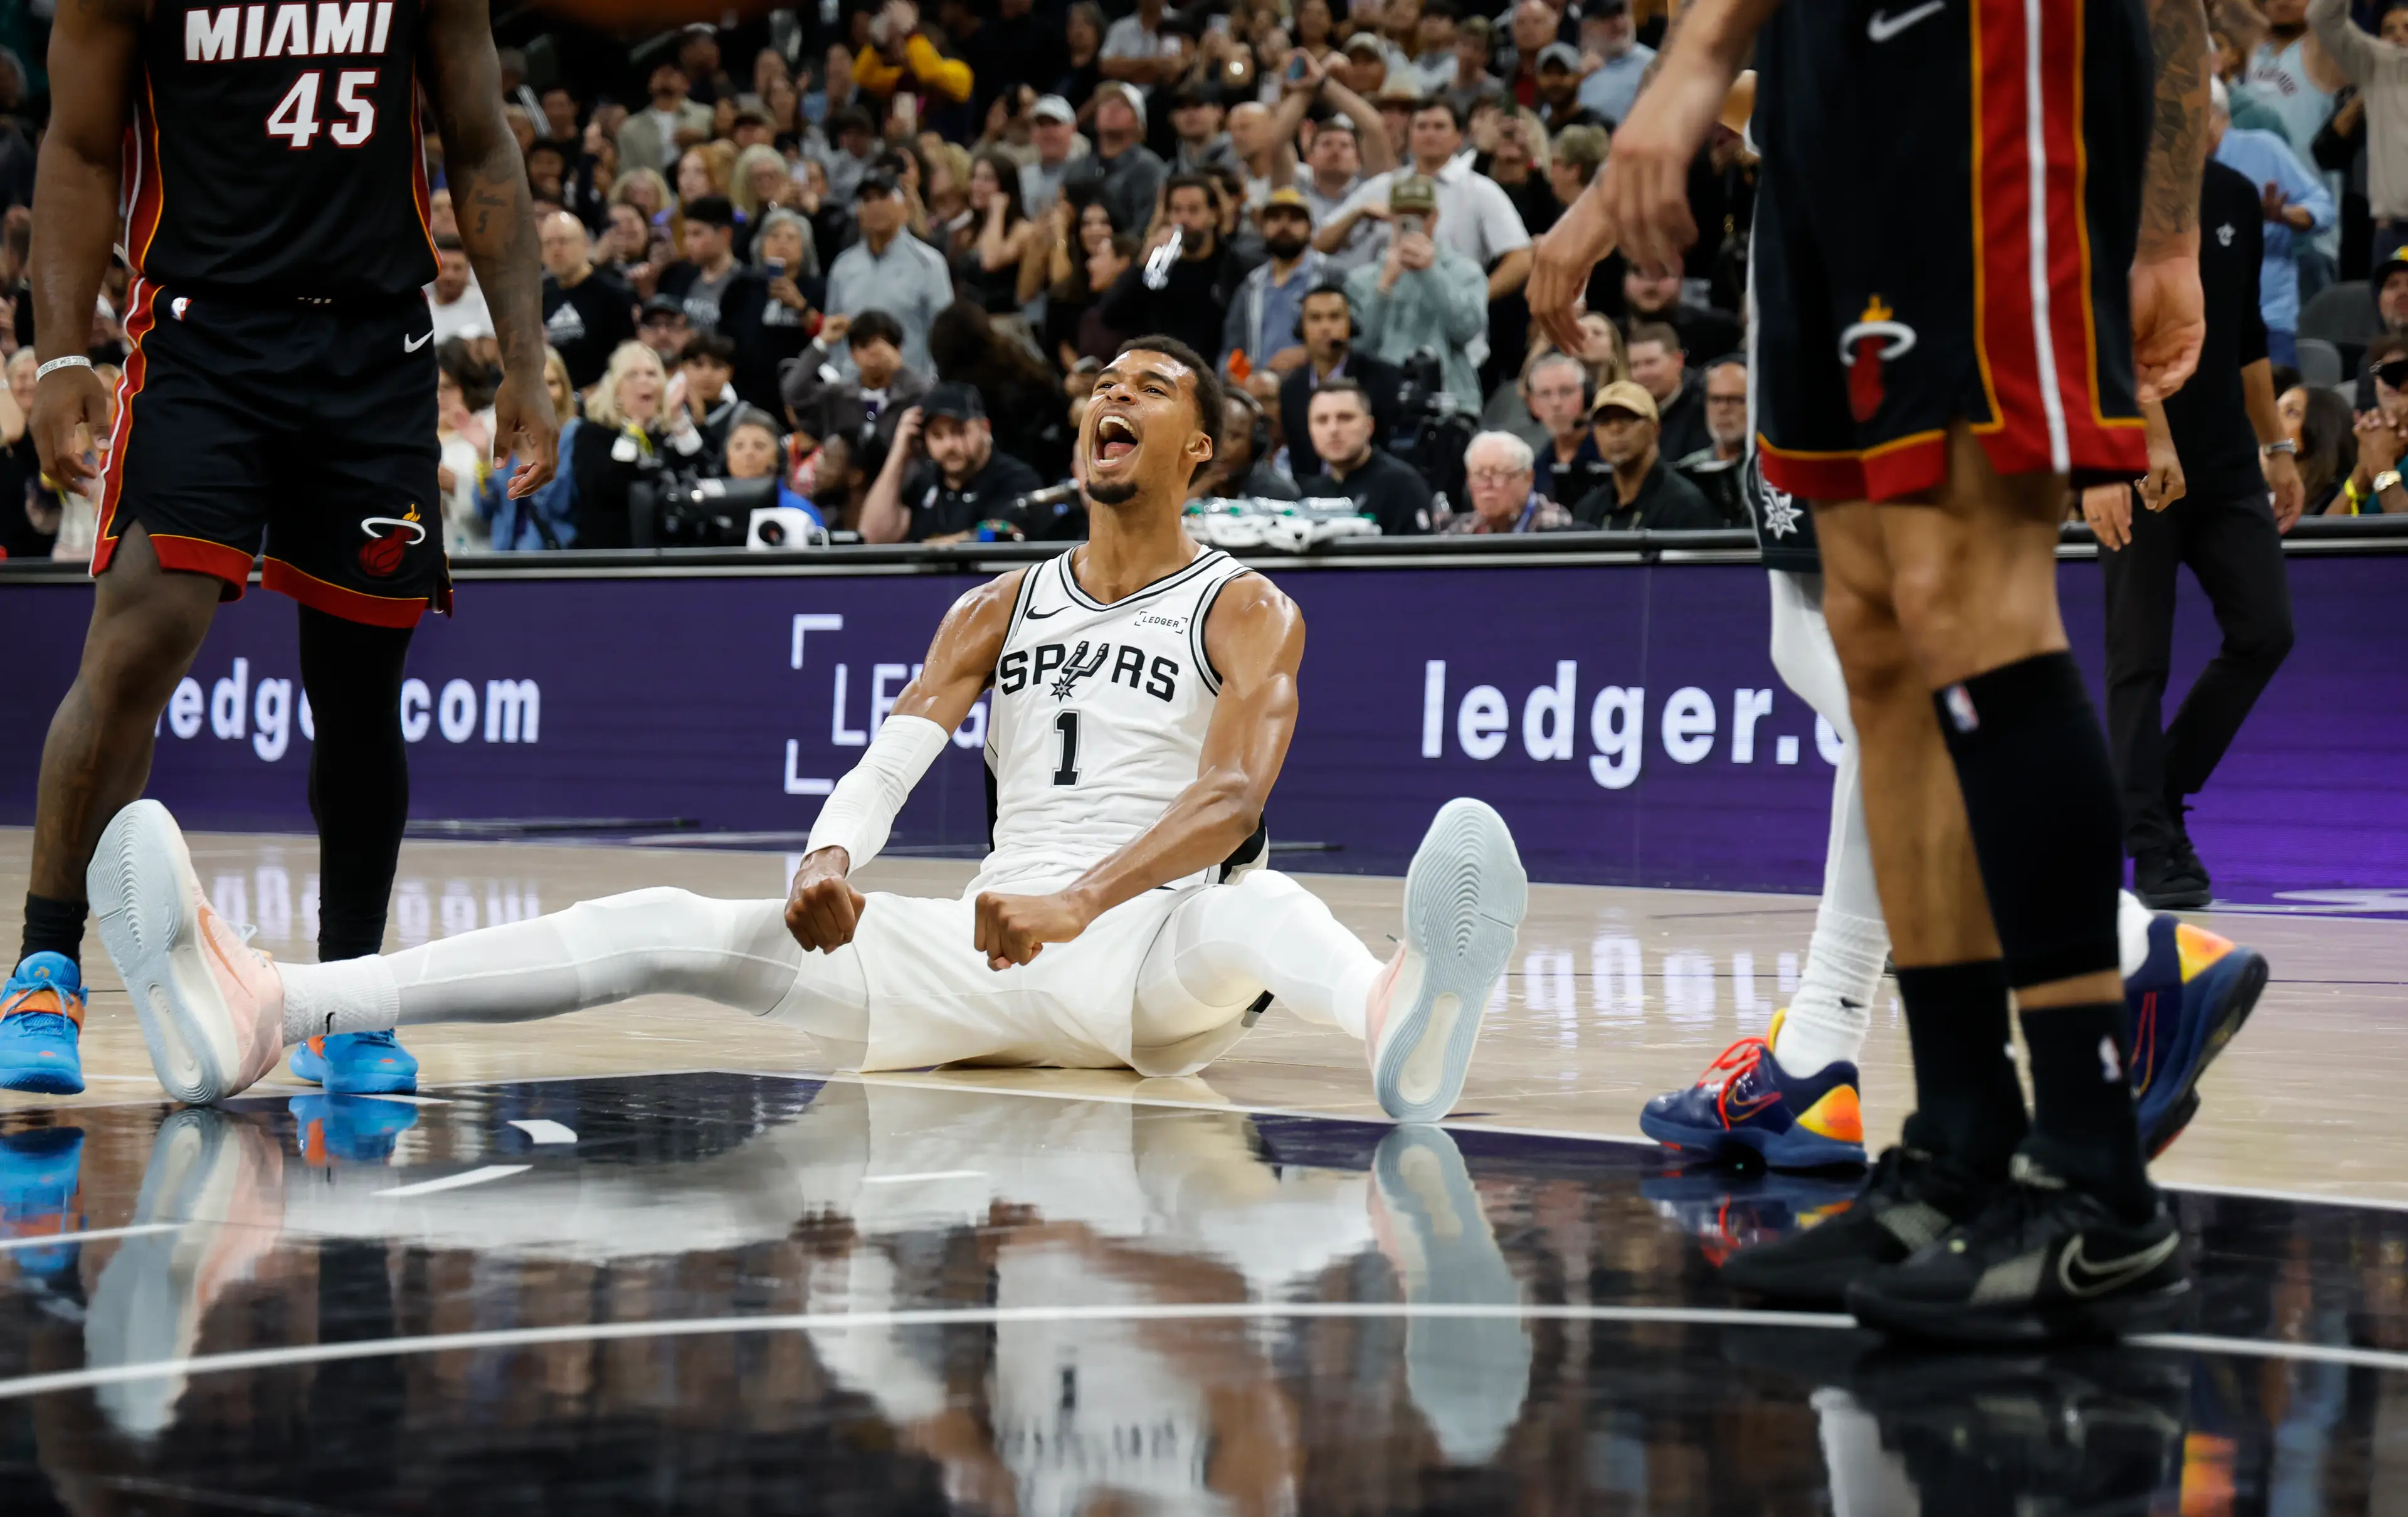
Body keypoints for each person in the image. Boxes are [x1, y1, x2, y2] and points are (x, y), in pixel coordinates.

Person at [81, 338, 1531, 1138]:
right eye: (1098, 384)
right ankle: (274, 1005)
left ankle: (1393, 1021)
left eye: (1146, 389)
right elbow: (894, 755)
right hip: (978, 953)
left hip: (1150, 959)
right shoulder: (997, 601)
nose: (1108, 399)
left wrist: (1082, 896)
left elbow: (1230, 796)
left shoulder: (1247, 604)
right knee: (665, 916)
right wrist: (830, 855)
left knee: (1259, 901)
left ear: (1200, 452)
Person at [1538, 0, 2226, 1343]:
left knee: (1965, 591)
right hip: (1821, 73)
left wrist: (2165, 224)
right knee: (1873, 632)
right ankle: (1958, 1139)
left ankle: (2096, 1178)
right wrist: (1703, 57)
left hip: (1986, 51)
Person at [8, 0, 557, 1097]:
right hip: (205, 336)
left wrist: (526, 358)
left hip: (375, 343)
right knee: (136, 642)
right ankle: (43, 967)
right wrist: (60, 349)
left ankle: (348, 995)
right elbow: (74, 146)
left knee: (360, 682)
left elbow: (483, 137)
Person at [2084, 153, 2303, 908]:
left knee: (2267, 631)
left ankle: (2155, 788)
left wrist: (2275, 446)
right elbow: (2102, 326)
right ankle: (2151, 845)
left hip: (2228, 466)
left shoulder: (2236, 192)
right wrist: (2139, 442)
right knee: (2137, 660)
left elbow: (2246, 335)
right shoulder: (2108, 187)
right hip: (2134, 462)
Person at [2210, 80, 2335, 367]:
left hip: (2268, 321)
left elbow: (2323, 209)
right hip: (2197, 323)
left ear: (2220, 116)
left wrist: (2284, 215)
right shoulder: (2167, 168)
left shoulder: (2263, 149)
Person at [1343, 176, 1489, 403]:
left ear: (1435, 217)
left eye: (1420, 215)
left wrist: (1431, 273)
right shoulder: (1361, 279)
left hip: (1451, 398)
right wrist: (1383, 287)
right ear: (1391, 217)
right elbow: (1359, 346)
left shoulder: (1465, 272)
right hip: (1381, 401)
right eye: (1404, 214)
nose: (1412, 222)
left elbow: (1467, 330)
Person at [857, 381, 1045, 542]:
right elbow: (873, 537)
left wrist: (928, 550)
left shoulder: (1016, 479)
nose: (949, 445)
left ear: (985, 428)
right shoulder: (924, 484)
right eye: (937, 435)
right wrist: (899, 453)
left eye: (959, 431)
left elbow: (1003, 533)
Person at [1101, 174, 1242, 367]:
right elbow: (1110, 315)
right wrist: (1142, 261)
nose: (1184, 219)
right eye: (1177, 210)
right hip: (1159, 372)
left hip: (1213, 373)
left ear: (1213, 215)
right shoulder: (1160, 265)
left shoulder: (1232, 266)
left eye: (1194, 210)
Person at [823, 170, 955, 374]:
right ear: (859, 211)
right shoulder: (843, 267)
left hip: (907, 391)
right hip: (852, 391)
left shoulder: (929, 264)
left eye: (883, 197)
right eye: (867, 199)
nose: (875, 206)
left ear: (903, 206)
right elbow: (833, 336)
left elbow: (943, 336)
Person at [2308, 0, 2408, 267]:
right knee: (2386, 308)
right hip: (2394, 232)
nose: (2399, 35)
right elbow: (2321, 18)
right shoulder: (2377, 67)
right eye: (2389, 29)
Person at [1277, 283, 1403, 477]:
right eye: (1315, 318)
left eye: (1334, 317)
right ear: (1301, 328)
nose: (1325, 327)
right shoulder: (1291, 389)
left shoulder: (1384, 378)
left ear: (1350, 324)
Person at [781, 309, 929, 463]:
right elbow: (793, 392)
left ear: (898, 349)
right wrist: (822, 342)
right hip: (843, 483)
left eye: (884, 343)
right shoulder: (837, 396)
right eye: (864, 345)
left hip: (904, 483)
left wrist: (900, 370)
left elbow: (931, 397)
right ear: (853, 354)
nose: (874, 352)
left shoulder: (914, 396)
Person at [1566, 381, 1719, 529]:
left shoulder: (1685, 506)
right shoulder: (1588, 510)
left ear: (1655, 428)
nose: (1615, 429)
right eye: (1604, 421)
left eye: (1627, 418)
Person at [1292, 378, 1432, 533]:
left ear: (1369, 426)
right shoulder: (1310, 495)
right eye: (1322, 420)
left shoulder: (1402, 487)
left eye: (1345, 418)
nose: (1333, 430)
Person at [1220, 188, 1328, 384]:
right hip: (1258, 390)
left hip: (1314, 385)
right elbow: (1233, 350)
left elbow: (1351, 340)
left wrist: (1309, 353)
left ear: (1310, 229)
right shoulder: (1252, 285)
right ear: (1263, 228)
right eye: (1275, 219)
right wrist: (1243, 378)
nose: (1284, 226)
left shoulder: (1328, 276)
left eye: (1295, 219)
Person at [539, 210, 637, 391]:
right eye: (548, 244)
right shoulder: (541, 295)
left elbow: (627, 360)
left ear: (585, 245)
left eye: (563, 241)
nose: (556, 251)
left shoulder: (613, 295)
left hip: (602, 400)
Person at [1064, 85, 1170, 239]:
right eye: (1106, 104)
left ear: (1139, 122)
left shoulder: (1148, 168)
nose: (1112, 110)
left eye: (1122, 106)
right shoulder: (1077, 168)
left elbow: (1145, 228)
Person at [1438, 429, 1571, 532]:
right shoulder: (1459, 531)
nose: (1486, 485)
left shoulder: (1555, 526)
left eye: (1499, 474)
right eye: (1479, 474)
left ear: (1528, 478)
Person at [1673, 356, 1750, 526]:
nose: (1723, 409)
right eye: (1715, 400)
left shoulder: (1770, 470)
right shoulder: (1688, 469)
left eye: (1735, 400)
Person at [1523, 351, 1607, 504]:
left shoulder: (1608, 457)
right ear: (1533, 405)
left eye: (1566, 391)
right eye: (1545, 394)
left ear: (1587, 397)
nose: (1556, 403)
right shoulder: (1536, 468)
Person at [1200, 389, 1301, 500]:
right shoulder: (1189, 486)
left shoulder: (1277, 493)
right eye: (1214, 434)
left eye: (1234, 436)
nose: (1221, 445)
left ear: (1255, 442)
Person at [620, 61, 715, 174]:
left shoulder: (706, 115)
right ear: (650, 85)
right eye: (659, 72)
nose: (666, 76)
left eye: (673, 72)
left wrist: (700, 141)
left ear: (687, 85)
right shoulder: (630, 128)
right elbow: (626, 173)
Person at [1573, 0, 1652, 124]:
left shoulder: (1655, 63)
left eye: (1622, 14)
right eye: (1607, 17)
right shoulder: (1574, 73)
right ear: (1586, 26)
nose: (1618, 24)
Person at [427, 236, 494, 347]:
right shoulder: (421, 311)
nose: (449, 276)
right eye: (443, 268)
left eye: (457, 268)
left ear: (468, 271)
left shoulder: (487, 306)